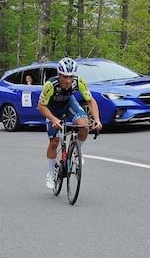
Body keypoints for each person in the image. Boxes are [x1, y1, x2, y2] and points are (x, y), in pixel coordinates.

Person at [38, 57, 102, 189]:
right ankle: (51, 174)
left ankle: (78, 150)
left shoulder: (79, 82)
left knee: (84, 125)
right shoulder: (50, 85)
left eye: (71, 77)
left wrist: (97, 119)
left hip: (68, 105)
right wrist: (54, 120)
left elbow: (90, 101)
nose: (68, 80)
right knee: (54, 142)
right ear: (59, 75)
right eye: (65, 77)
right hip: (51, 110)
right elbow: (41, 106)